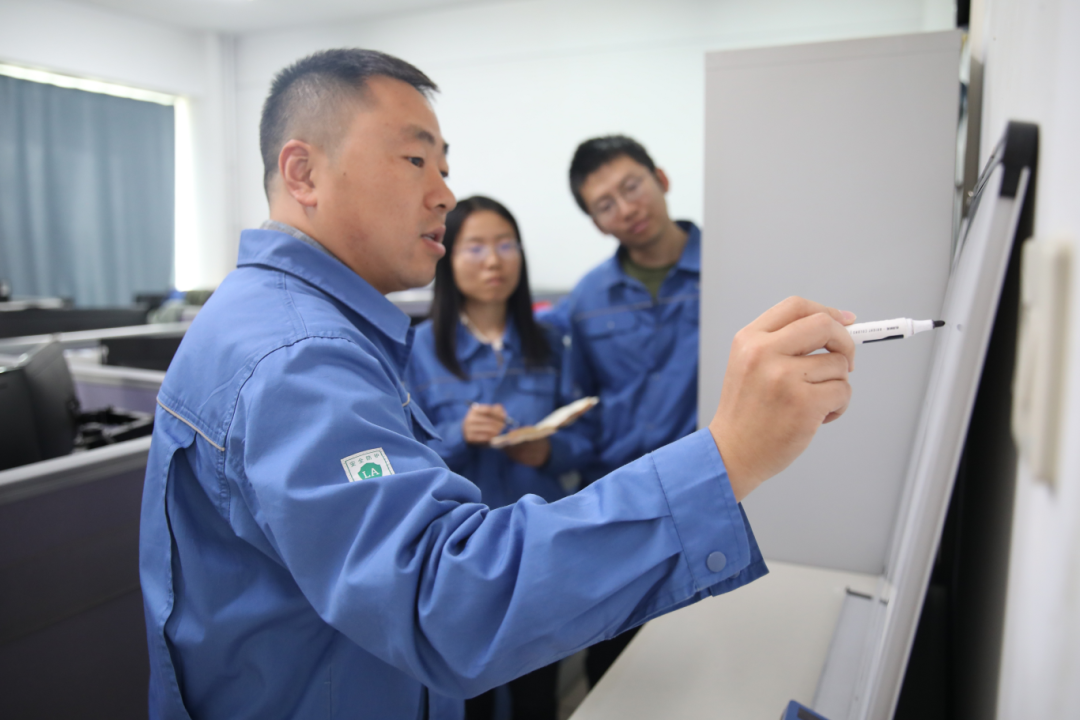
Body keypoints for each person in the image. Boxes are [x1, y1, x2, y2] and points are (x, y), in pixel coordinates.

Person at [139, 48, 856, 720]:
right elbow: (445, 600)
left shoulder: (294, 326)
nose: (444, 194)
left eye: (444, 166)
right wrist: (728, 456)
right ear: (303, 174)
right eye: (415, 159)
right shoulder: (299, 359)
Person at [406, 195, 588, 719]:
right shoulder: (416, 349)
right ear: (448, 257)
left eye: (506, 245)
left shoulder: (551, 343)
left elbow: (586, 441)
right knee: (472, 700)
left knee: (537, 696)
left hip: (539, 546)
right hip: (460, 554)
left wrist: (546, 449)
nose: (494, 261)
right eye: (476, 247)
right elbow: (402, 460)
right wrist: (457, 435)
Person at [556, 135, 709, 684]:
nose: (625, 208)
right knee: (614, 663)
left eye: (632, 187)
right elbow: (579, 407)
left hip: (709, 490)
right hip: (621, 504)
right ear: (597, 223)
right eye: (605, 204)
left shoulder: (731, 267)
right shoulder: (587, 300)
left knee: (704, 655)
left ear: (661, 179)